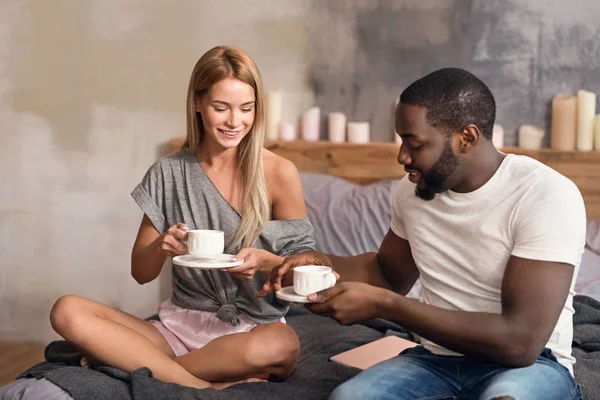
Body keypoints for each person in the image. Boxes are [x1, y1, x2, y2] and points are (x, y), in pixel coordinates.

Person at [262, 68, 586, 400]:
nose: (402, 156)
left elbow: (520, 344)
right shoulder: (413, 191)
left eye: (414, 143)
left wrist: (387, 306)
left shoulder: (544, 194)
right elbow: (387, 276)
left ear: (467, 138)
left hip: (530, 367)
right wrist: (320, 263)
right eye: (401, 140)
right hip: (437, 361)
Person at [49, 45, 316, 390]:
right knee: (66, 310)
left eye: (246, 109)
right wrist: (162, 246)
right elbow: (141, 272)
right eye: (221, 108)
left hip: (249, 334)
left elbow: (305, 268)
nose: (236, 122)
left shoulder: (279, 172)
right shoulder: (168, 172)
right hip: (178, 328)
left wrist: (267, 262)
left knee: (281, 344)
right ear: (197, 102)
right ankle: (203, 385)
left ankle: (148, 367)